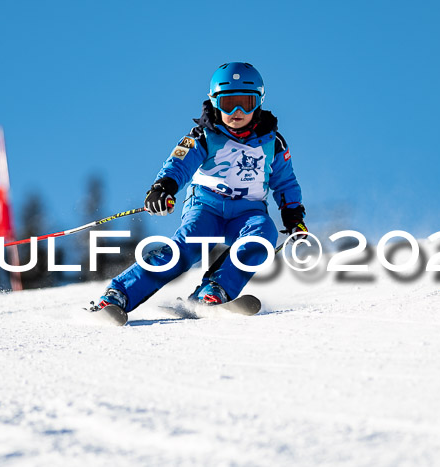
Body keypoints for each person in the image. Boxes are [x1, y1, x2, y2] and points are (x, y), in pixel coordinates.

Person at [91, 62, 307, 314]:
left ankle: (214, 289)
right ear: (214, 102)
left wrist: (293, 217)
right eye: (228, 103)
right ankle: (119, 294)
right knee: (185, 249)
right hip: (206, 207)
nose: (236, 111)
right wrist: (164, 187)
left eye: (245, 103)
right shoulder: (204, 135)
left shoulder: (273, 142)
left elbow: (285, 182)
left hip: (248, 213)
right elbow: (179, 164)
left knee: (264, 233)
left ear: (259, 102)